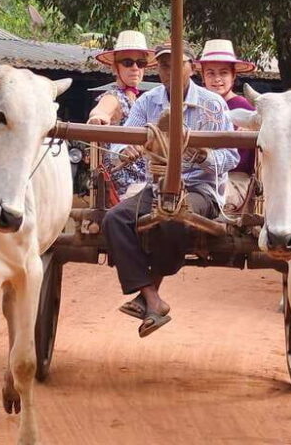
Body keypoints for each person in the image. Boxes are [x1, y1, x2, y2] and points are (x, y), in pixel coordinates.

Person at [102, 42, 240, 337]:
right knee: (114, 219)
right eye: (165, 65)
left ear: (192, 69)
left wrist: (204, 156)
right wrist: (124, 150)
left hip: (201, 190)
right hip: (158, 186)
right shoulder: (148, 102)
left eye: (178, 64)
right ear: (159, 69)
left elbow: (232, 156)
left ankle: (149, 297)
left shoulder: (212, 104)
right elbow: (122, 140)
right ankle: (152, 297)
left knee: (173, 215)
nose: (171, 71)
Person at [86, 30, 154, 199]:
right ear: (115, 67)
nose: (135, 68)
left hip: (149, 179)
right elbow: (101, 111)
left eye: (141, 63)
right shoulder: (114, 97)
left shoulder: (143, 101)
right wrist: (98, 117)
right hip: (125, 186)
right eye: (128, 62)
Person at [195, 39, 257, 211]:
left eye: (223, 73)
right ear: (203, 77)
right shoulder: (195, 107)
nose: (217, 79)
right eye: (210, 73)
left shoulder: (245, 109)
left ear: (233, 76)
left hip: (235, 179)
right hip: (198, 177)